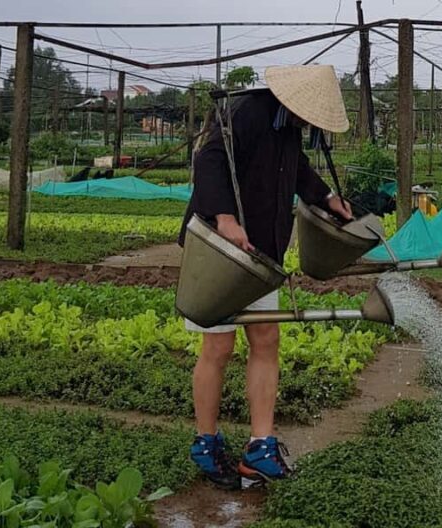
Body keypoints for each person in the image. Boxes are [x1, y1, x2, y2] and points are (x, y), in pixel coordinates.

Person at [178, 65, 352, 489]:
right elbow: (209, 160)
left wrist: (328, 198)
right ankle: (205, 442)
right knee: (218, 345)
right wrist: (224, 217)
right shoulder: (250, 112)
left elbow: (295, 171)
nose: (311, 122)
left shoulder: (288, 128)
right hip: (221, 252)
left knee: (267, 338)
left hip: (261, 257)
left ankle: (260, 446)